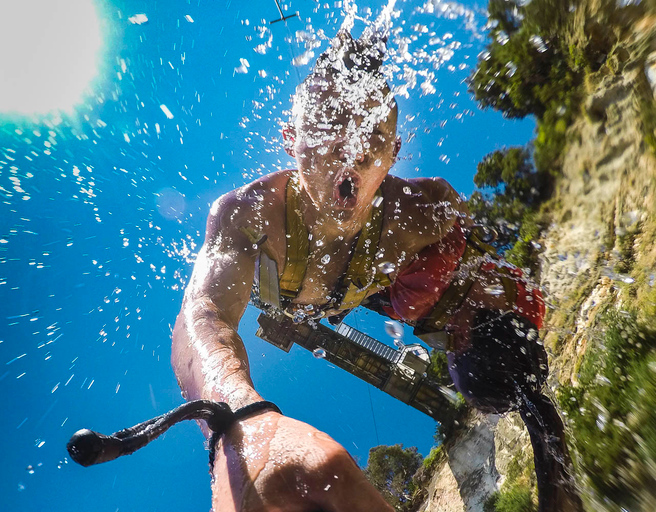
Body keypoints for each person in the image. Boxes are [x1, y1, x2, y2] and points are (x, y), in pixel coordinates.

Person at [172, 30, 582, 512]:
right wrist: (241, 415)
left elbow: (484, 242)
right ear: (290, 138)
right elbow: (202, 318)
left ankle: (556, 463)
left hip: (392, 285)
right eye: (327, 125)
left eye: (374, 137)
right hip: (306, 296)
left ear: (394, 153)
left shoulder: (422, 213)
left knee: (499, 368)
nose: (355, 150)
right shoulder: (249, 218)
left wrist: (497, 308)